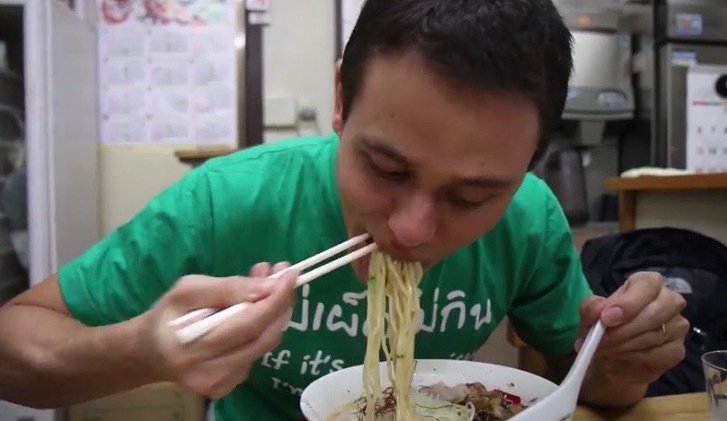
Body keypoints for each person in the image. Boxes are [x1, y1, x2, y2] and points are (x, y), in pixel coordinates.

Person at [0, 0, 689, 420]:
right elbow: (14, 341)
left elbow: (585, 379)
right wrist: (140, 348)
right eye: (386, 168)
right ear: (339, 97)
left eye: (471, 195)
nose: (412, 228)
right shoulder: (227, 201)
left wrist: (624, 359)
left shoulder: (530, 219)